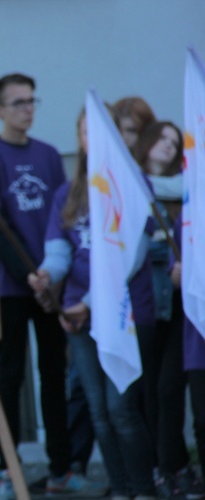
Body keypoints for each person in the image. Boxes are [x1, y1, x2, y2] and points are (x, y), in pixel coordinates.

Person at [29, 107, 157, 500]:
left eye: (98, 132)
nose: (91, 139)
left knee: (122, 409)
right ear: (80, 139)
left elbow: (130, 257)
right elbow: (59, 253)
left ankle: (145, 490)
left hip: (122, 314)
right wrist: (47, 275)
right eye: (85, 132)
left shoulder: (132, 185)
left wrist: (87, 301)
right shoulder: (68, 194)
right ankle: (120, 490)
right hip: (79, 318)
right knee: (99, 412)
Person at [0, 73, 81, 499]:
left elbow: (61, 217)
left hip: (49, 282)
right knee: (10, 376)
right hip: (10, 285)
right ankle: (9, 468)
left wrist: (50, 274)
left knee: (53, 374)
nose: (27, 108)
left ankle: (61, 468)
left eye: (31, 101)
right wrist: (26, 271)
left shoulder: (47, 155)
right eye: (18, 102)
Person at [134, 121, 198, 498]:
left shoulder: (184, 195)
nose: (168, 147)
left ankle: (174, 466)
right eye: (162, 138)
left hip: (178, 311)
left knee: (169, 388)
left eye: (175, 144)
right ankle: (161, 468)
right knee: (146, 392)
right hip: (143, 306)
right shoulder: (128, 186)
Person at [169, 214, 205, 499]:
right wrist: (177, 272)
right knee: (202, 417)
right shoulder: (190, 209)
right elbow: (175, 273)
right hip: (198, 335)